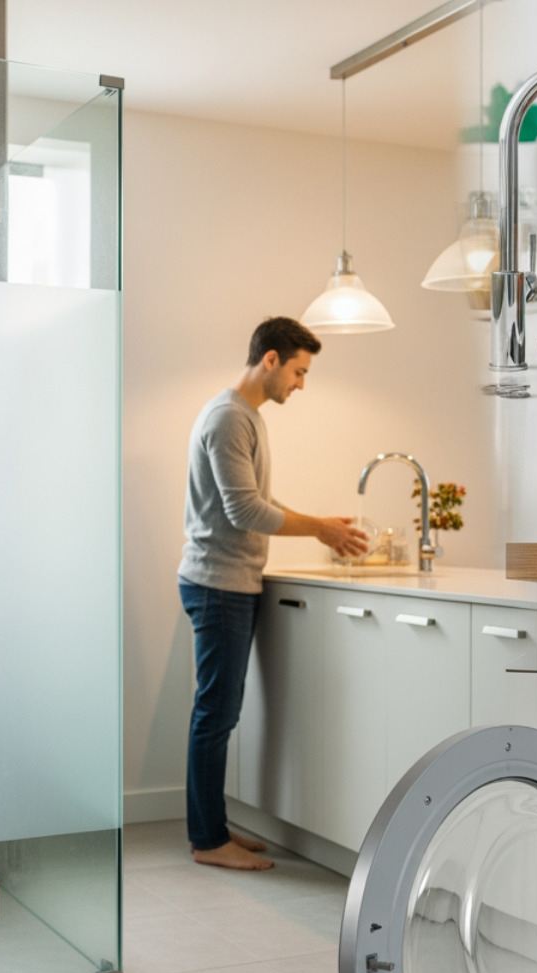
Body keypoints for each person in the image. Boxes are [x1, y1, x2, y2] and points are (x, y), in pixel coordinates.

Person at [178, 316, 368, 871]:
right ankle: (208, 841)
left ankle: (212, 828)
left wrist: (317, 522)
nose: (301, 385)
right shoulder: (228, 419)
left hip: (227, 581)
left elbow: (253, 497)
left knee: (219, 713)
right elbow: (246, 511)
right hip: (218, 583)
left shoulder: (244, 417)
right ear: (271, 360)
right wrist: (319, 528)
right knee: (215, 715)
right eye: (299, 372)